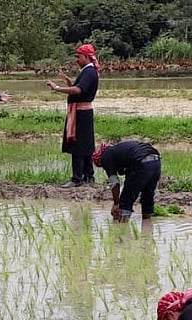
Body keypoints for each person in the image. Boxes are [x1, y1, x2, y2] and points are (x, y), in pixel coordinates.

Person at [46, 44, 100, 188]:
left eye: (78, 56)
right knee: (86, 144)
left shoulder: (88, 72)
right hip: (83, 112)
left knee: (78, 145)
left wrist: (57, 88)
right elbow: (80, 88)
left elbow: (77, 91)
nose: (76, 59)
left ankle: (77, 178)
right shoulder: (88, 71)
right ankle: (88, 176)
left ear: (86, 57)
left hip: (80, 113)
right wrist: (69, 82)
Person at [92, 141, 161, 222]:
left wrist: (116, 204)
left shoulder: (106, 157)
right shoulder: (119, 152)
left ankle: (123, 227)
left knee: (126, 199)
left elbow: (114, 183)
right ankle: (148, 225)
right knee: (147, 196)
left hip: (140, 162)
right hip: (156, 161)